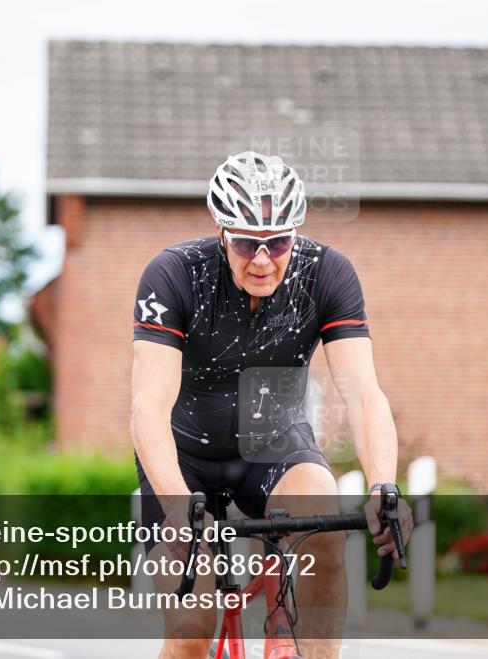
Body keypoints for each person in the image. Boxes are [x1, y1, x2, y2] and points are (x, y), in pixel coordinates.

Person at [131, 151, 413, 658]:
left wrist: (382, 485)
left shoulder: (327, 274)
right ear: (221, 231)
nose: (262, 259)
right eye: (245, 242)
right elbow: (148, 407)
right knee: (192, 625)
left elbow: (363, 393)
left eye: (278, 242)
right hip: (183, 461)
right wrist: (175, 503)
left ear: (295, 234)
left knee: (323, 534)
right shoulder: (174, 274)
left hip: (275, 451)